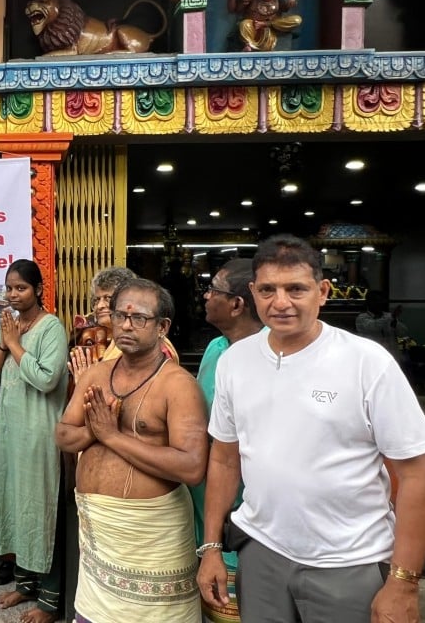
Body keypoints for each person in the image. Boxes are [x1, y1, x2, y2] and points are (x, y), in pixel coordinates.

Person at [198, 235, 425, 623]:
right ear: (253, 294)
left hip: (350, 562)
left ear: (322, 291)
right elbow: (225, 459)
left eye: (296, 289)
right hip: (261, 554)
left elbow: (417, 477)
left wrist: (404, 582)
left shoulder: (366, 363)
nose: (281, 303)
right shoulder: (235, 362)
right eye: (267, 290)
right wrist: (211, 547)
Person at [56, 278, 207, 623]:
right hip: (100, 537)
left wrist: (111, 435)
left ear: (162, 327)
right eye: (119, 315)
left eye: (139, 317)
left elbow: (191, 467)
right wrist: (95, 431)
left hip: (152, 538)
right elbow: (64, 435)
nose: (125, 325)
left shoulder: (178, 385)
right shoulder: (96, 373)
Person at [0, 259, 69, 623]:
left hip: (39, 436)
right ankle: (25, 584)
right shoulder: (11, 326)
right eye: (10, 288)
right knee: (17, 509)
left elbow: (46, 379)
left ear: (38, 290)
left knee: (40, 513)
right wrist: (4, 344)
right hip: (12, 435)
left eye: (21, 288)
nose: (13, 294)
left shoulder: (52, 328)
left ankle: (48, 602)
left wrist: (15, 343)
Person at [187, 259, 263, 623]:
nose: (205, 296)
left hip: (243, 515)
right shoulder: (217, 347)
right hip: (206, 508)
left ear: (236, 304)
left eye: (213, 289)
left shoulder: (268, 358)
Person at [68, 266, 178, 384]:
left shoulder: (153, 347)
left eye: (107, 298)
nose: (99, 306)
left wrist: (86, 384)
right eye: (96, 300)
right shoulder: (115, 340)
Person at [355, 289, 408, 360]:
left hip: (391, 356)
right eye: (376, 301)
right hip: (373, 357)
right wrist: (391, 317)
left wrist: (395, 322)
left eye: (381, 301)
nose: (379, 303)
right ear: (368, 303)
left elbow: (403, 332)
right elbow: (373, 327)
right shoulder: (361, 318)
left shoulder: (388, 316)